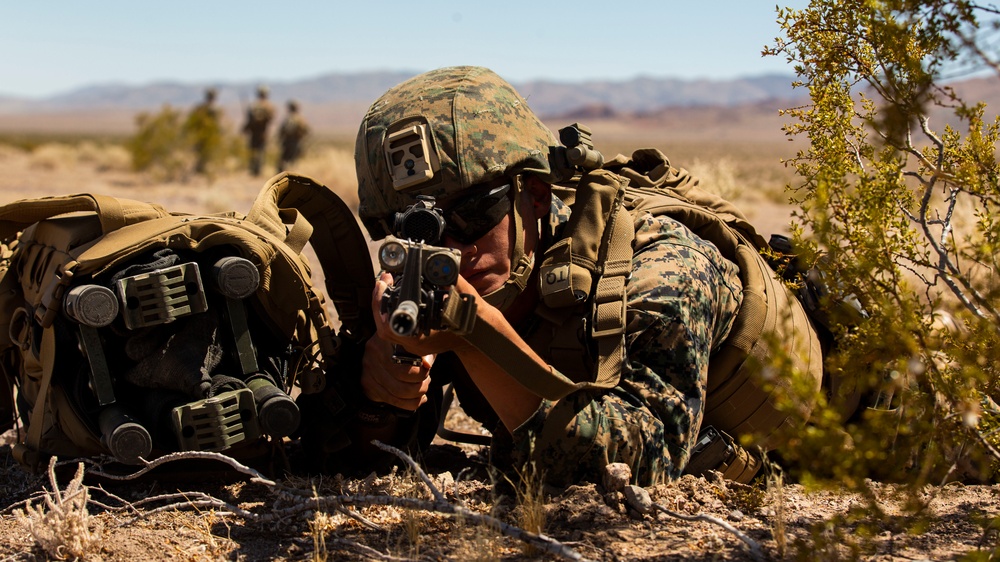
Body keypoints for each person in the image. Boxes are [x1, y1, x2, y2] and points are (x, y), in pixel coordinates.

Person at [350, 66, 822, 487]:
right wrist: (380, 398)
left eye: (474, 212)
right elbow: (333, 453)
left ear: (534, 195)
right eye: (415, 230)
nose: (451, 247)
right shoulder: (426, 292)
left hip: (853, 442)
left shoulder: (660, 264)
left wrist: (475, 336)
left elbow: (643, 462)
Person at [183, 88, 223, 175]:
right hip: (206, 134)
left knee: (202, 153)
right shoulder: (212, 109)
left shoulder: (201, 108)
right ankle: (201, 170)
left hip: (202, 134)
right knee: (203, 153)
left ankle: (200, 169)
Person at [243, 85, 275, 176]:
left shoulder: (253, 105)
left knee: (253, 150)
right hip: (263, 132)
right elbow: (271, 118)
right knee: (261, 151)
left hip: (253, 133)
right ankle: (258, 170)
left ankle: (253, 169)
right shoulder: (268, 106)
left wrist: (246, 129)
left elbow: (248, 120)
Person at [277, 100, 309, 172]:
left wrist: (280, 140)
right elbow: (306, 130)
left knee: (284, 159)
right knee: (294, 160)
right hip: (296, 142)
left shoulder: (287, 119)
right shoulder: (300, 119)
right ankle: (293, 173)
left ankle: (281, 174)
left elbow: (281, 131)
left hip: (287, 142)